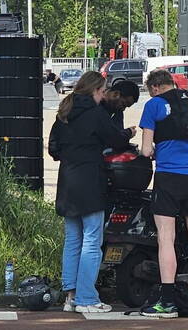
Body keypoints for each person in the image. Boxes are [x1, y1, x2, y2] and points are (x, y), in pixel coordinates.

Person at [48, 71, 131, 314]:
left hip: (67, 183)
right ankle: (86, 296)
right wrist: (129, 134)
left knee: (72, 240)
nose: (104, 95)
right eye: (103, 91)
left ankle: (70, 295)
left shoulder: (63, 113)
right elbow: (116, 140)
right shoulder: (96, 114)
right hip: (90, 182)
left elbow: (54, 148)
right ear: (95, 91)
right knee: (92, 241)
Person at [138, 68, 188, 318]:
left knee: (166, 238)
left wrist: (158, 149)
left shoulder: (154, 105)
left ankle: (168, 301)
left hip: (168, 178)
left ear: (155, 88)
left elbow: (145, 150)